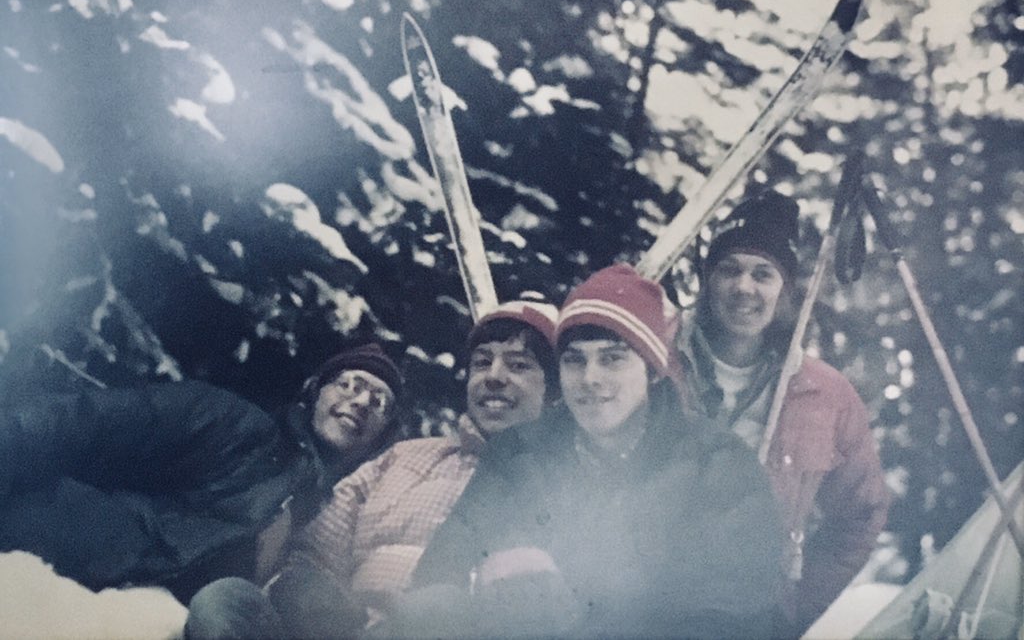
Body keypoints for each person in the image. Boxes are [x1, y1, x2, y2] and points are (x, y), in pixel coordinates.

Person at [406, 264, 784, 638]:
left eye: (612, 358)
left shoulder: (718, 463)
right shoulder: (518, 452)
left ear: (652, 371)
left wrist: (575, 620)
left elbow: (732, 615)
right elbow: (443, 567)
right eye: (574, 360)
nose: (590, 379)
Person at [184, 301, 558, 640]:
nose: (493, 376)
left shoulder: (557, 479)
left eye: (519, 365)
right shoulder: (405, 457)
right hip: (346, 627)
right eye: (481, 362)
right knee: (224, 601)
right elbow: (315, 554)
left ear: (553, 390)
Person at [0, 342, 403, 603]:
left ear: (382, 439)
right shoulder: (237, 424)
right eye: (348, 384)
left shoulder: (333, 520)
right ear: (313, 393)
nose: (361, 401)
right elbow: (89, 420)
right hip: (70, 560)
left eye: (379, 402)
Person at [673, 190, 889, 633]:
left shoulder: (827, 395)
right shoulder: (656, 367)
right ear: (707, 279)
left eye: (762, 274)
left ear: (785, 290)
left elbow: (861, 514)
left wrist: (796, 605)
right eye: (728, 269)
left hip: (753, 620)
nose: (743, 288)